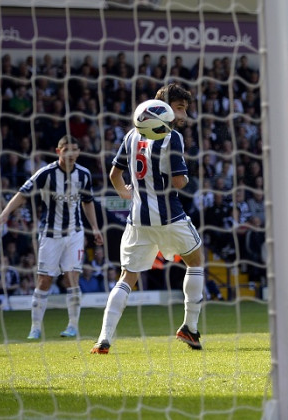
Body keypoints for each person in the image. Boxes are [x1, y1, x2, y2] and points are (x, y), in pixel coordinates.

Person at [91, 84, 205, 354]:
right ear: (163, 107)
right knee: (196, 261)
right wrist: (187, 177)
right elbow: (178, 181)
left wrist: (126, 194)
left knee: (126, 278)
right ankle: (190, 327)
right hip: (169, 217)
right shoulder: (172, 137)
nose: (183, 116)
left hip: (137, 221)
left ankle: (103, 339)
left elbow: (114, 175)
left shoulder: (132, 135)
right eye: (179, 108)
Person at [0, 135, 103, 339]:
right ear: (58, 151)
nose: (72, 154)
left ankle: (72, 326)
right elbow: (22, 193)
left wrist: (95, 228)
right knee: (44, 281)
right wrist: (4, 214)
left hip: (75, 234)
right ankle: (35, 327)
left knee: (73, 278)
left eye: (75, 150)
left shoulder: (84, 175)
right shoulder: (46, 174)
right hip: (50, 234)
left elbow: (87, 202)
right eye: (67, 150)